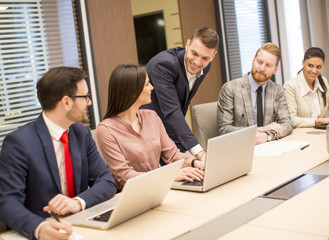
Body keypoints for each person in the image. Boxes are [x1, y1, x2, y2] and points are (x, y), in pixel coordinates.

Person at [0, 67, 117, 240]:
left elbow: (106, 180)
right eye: (85, 97)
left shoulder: (80, 134)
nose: (89, 102)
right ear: (66, 102)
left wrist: (78, 202)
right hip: (45, 229)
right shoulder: (19, 143)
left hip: (80, 225)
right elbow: (7, 202)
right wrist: (39, 228)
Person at [96, 64, 204, 190]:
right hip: (131, 196)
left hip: (159, 188)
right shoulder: (106, 130)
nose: (152, 88)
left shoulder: (151, 117)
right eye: (147, 84)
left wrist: (196, 163)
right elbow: (124, 175)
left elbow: (172, 155)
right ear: (133, 91)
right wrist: (168, 176)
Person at [141, 27, 219, 161]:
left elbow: (181, 102)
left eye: (205, 58)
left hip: (172, 127)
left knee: (190, 171)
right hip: (147, 132)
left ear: (213, 56)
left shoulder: (205, 66)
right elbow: (172, 111)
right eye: (194, 53)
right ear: (187, 44)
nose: (197, 62)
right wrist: (199, 152)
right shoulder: (164, 65)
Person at [217, 43, 293, 144]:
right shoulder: (230, 88)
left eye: (268, 65)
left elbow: (287, 125)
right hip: (240, 146)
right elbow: (224, 129)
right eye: (259, 62)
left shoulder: (277, 90)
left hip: (269, 147)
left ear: (275, 69)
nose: (262, 68)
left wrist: (268, 136)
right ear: (253, 60)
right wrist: (264, 129)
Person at [283, 47, 329, 128]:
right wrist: (317, 121)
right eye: (310, 65)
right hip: (301, 135)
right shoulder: (290, 86)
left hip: (321, 132)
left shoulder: (323, 81)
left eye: (318, 67)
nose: (314, 71)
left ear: (322, 66)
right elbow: (291, 119)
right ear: (303, 63)